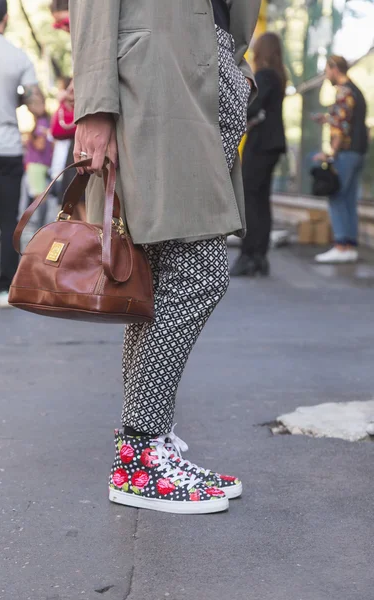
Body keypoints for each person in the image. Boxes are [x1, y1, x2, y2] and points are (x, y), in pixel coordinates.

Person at [70, 0, 261, 514]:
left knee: (154, 283)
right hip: (155, 78)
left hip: (203, 72)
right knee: (201, 273)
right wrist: (93, 104)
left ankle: (148, 445)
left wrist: (233, 72)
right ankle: (138, 454)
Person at [0, 0, 42, 308]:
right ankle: (5, 289)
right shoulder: (17, 56)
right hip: (6, 149)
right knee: (7, 223)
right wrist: (16, 97)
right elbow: (38, 107)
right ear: (6, 17)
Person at [231, 32, 287, 277]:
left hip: (261, 145)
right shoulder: (279, 76)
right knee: (261, 200)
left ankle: (248, 255)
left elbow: (252, 106)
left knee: (251, 199)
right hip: (272, 144)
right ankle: (260, 256)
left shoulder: (264, 75)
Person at [312, 55, 368, 264]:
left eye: (327, 70)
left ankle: (341, 245)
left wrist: (330, 153)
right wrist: (327, 118)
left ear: (335, 69)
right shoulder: (355, 91)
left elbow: (342, 127)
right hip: (358, 151)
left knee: (335, 196)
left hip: (345, 152)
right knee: (349, 199)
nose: (327, 75)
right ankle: (350, 246)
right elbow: (346, 119)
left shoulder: (343, 92)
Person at [25, 94, 54, 229]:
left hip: (37, 162)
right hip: (42, 162)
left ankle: (39, 227)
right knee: (41, 195)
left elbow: (40, 145)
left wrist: (29, 139)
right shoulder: (46, 121)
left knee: (39, 197)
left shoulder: (41, 123)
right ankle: (40, 225)